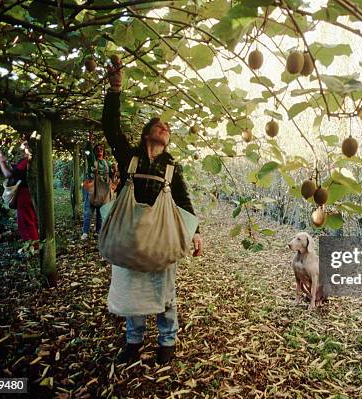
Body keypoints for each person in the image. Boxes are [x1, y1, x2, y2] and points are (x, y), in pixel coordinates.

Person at [102, 58, 203, 365]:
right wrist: (115, 88)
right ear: (147, 134)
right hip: (131, 237)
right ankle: (133, 342)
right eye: (158, 125)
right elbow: (110, 127)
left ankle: (166, 341)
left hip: (160, 237)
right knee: (132, 290)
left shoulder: (172, 167)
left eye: (167, 127)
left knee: (164, 290)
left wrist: (196, 232)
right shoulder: (130, 157)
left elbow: (183, 200)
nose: (164, 127)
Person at [0, 141, 39, 242]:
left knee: (26, 222)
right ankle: (36, 245)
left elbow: (9, 175)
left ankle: (33, 248)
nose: (21, 145)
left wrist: (1, 162)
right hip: (32, 192)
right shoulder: (30, 160)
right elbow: (14, 172)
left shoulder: (27, 161)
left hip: (25, 194)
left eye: (25, 143)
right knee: (33, 219)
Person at [81, 136, 113, 240]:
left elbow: (112, 176)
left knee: (100, 211)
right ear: (94, 151)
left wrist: (114, 172)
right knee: (88, 210)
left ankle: (98, 231)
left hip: (102, 191)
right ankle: (85, 232)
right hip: (91, 189)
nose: (99, 151)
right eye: (97, 149)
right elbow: (87, 152)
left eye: (101, 149)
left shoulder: (108, 164)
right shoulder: (92, 160)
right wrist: (89, 142)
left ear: (103, 152)